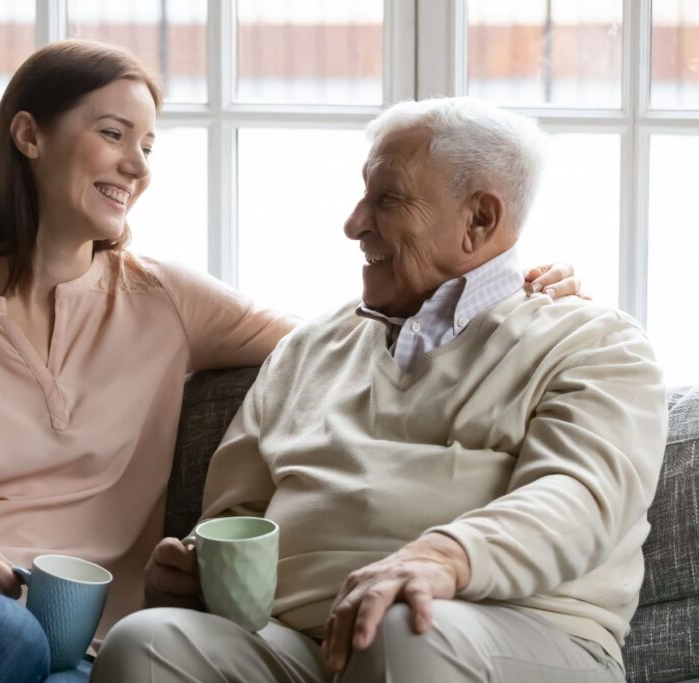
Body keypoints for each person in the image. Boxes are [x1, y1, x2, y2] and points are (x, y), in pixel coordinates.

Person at [0, 39, 583, 683]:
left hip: (77, 643)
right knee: (1, 636)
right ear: (29, 135)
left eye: (147, 145)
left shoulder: (164, 300)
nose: (138, 165)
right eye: (113, 134)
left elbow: (345, 335)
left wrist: (505, 284)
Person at [91, 97, 666, 683]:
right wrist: (194, 568)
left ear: (480, 221)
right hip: (304, 642)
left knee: (400, 632)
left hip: (516, 633)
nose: (354, 223)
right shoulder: (310, 347)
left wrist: (444, 558)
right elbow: (239, 511)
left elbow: (579, 496)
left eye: (387, 199)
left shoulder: (596, 343)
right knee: (146, 644)